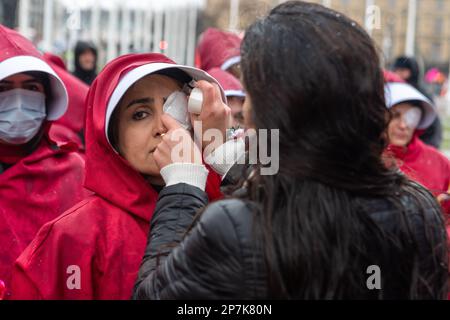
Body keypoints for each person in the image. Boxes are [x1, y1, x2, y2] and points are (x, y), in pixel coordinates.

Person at [132, 1, 448, 299]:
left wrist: (182, 188)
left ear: (275, 110)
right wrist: (227, 159)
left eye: (251, 92)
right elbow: (301, 176)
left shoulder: (236, 228)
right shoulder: (417, 207)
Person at [10, 53, 224, 300]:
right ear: (112, 138)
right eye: (140, 114)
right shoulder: (75, 234)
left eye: (174, 107)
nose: (162, 127)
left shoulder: (221, 204)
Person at [0, 25, 89, 298]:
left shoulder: (77, 173)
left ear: (47, 98)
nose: (17, 101)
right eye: (4, 88)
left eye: (30, 87)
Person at [384, 81, 450, 211]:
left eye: (412, 117)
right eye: (395, 115)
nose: (403, 125)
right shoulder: (368, 160)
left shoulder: (439, 162)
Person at [393, 56, 442, 149]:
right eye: (396, 70)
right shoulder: (394, 92)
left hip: (420, 146)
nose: (398, 73)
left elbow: (432, 126)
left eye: (402, 70)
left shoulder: (421, 96)